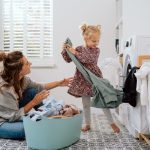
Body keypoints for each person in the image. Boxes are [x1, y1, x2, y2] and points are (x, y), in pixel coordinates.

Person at [61, 24, 120, 133]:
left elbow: (88, 59)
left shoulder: (96, 50)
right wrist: (65, 50)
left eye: (97, 41)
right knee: (86, 104)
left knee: (103, 99)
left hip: (94, 78)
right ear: (85, 38)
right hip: (83, 79)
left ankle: (112, 123)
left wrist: (75, 52)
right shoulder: (79, 48)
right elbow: (69, 59)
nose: (96, 43)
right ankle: (87, 124)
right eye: (94, 41)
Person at [0, 51, 71, 139]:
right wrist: (34, 102)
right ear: (19, 70)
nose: (30, 63)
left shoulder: (23, 80)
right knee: (25, 129)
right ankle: (43, 122)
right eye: (27, 63)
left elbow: (40, 87)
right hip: (4, 120)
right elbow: (13, 116)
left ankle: (47, 116)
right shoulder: (5, 89)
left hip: (13, 111)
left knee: (32, 91)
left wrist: (59, 83)